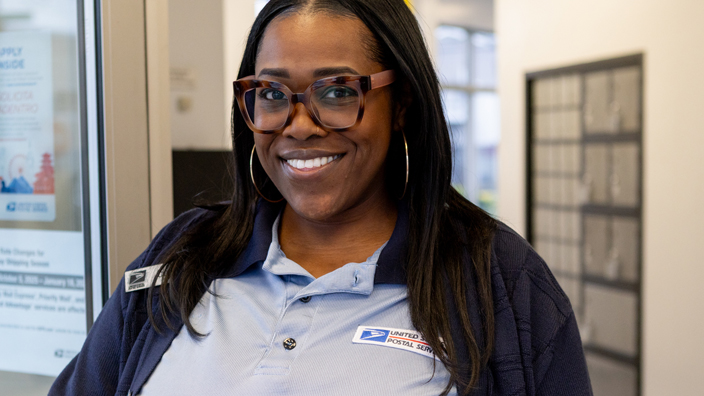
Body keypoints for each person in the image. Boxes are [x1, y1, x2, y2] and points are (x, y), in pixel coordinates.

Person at [50, 0, 592, 395]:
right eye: (271, 94)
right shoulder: (184, 254)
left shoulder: (499, 283)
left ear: (399, 102)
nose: (299, 125)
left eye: (337, 91)